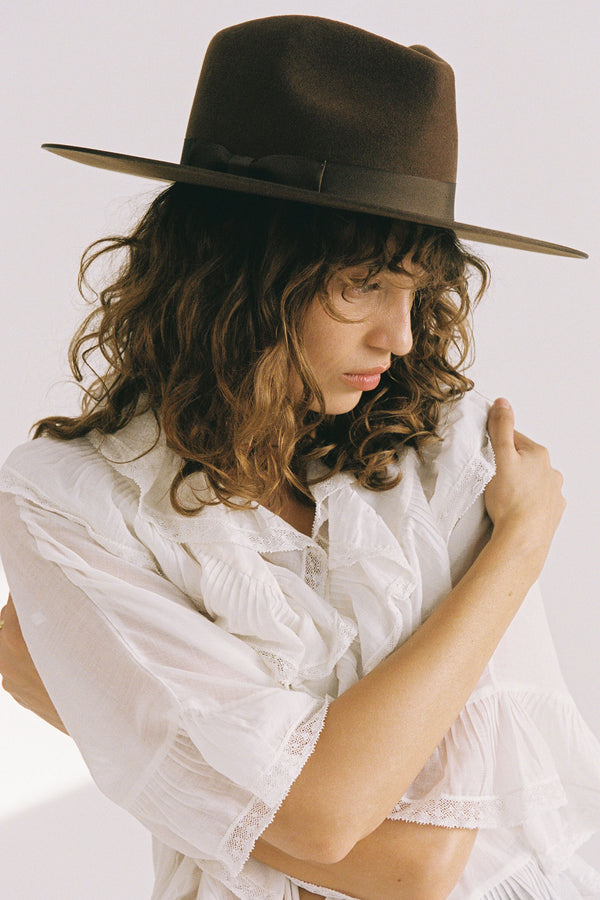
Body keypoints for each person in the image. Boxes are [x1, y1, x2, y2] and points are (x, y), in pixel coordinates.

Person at [1, 15, 599, 900]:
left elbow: (427, 859)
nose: (399, 337)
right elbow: (341, 829)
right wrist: (515, 547)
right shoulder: (75, 502)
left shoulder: (446, 456)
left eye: (413, 293)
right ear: (236, 273)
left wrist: (120, 721)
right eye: (363, 284)